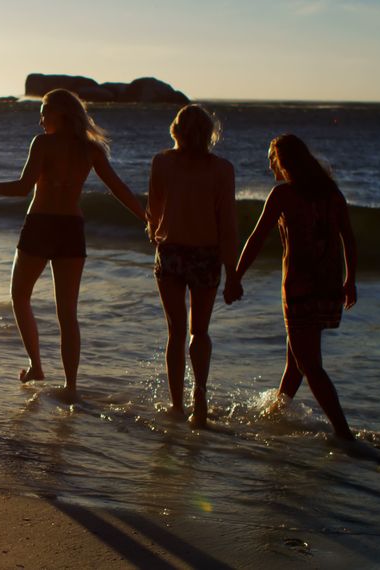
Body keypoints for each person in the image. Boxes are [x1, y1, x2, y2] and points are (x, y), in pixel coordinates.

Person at [0, 89, 145, 400]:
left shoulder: (43, 143)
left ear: (61, 113)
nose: (41, 118)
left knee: (20, 295)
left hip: (41, 225)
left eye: (45, 111)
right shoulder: (91, 149)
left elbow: (22, 189)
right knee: (67, 313)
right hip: (71, 228)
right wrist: (148, 218)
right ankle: (71, 386)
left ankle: (36, 365)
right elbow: (120, 189)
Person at [231, 134, 357, 440]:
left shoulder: (283, 195)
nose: (269, 165)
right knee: (296, 360)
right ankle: (276, 413)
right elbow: (348, 237)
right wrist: (350, 280)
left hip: (299, 288)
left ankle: (344, 434)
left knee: (309, 364)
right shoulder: (331, 192)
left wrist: (235, 275)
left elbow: (257, 237)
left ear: (282, 162)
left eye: (271, 159)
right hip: (328, 286)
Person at [145, 104, 239, 427]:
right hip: (206, 255)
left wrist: (156, 230)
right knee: (199, 330)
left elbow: (153, 212)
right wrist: (233, 274)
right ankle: (199, 392)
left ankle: (176, 404)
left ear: (176, 130)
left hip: (171, 252)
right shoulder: (222, 169)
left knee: (175, 331)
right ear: (208, 133)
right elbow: (227, 225)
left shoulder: (161, 162)